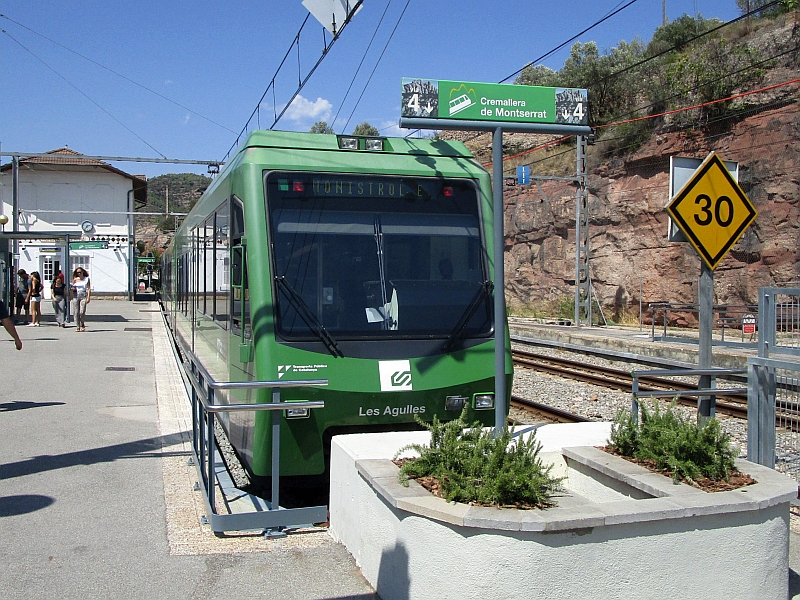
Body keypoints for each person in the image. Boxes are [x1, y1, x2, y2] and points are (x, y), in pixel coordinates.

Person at [71, 267, 91, 331]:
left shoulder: (86, 279)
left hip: (83, 295)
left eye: (80, 272)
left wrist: (88, 297)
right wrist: (72, 287)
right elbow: (72, 287)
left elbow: (88, 288)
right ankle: (78, 326)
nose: (79, 273)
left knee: (82, 312)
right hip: (76, 295)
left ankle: (82, 323)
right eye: (77, 272)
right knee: (76, 311)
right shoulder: (75, 279)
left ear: (83, 272)